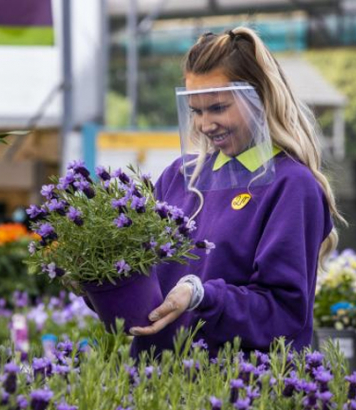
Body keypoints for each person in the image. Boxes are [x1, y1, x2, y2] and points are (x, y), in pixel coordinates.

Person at [128, 27, 344, 357]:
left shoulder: (291, 186)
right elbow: (143, 283)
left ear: (258, 98)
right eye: (196, 111)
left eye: (218, 107)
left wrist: (202, 296)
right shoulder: (179, 177)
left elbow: (282, 312)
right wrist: (99, 276)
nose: (204, 125)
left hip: (235, 389)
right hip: (153, 384)